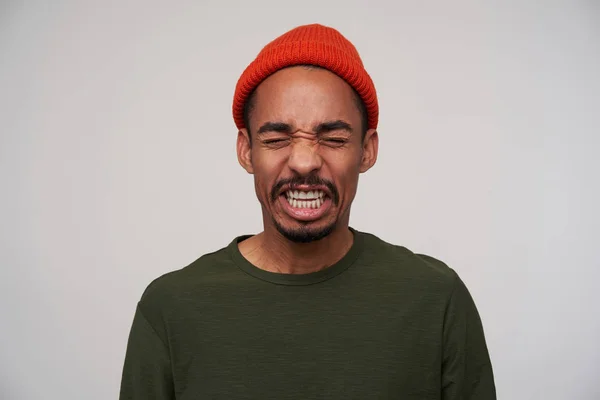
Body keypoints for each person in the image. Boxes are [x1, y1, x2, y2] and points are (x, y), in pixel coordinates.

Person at [119, 23, 496, 399]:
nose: (303, 161)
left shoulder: (436, 299)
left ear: (367, 150)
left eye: (333, 138)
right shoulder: (170, 308)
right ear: (246, 150)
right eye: (277, 139)